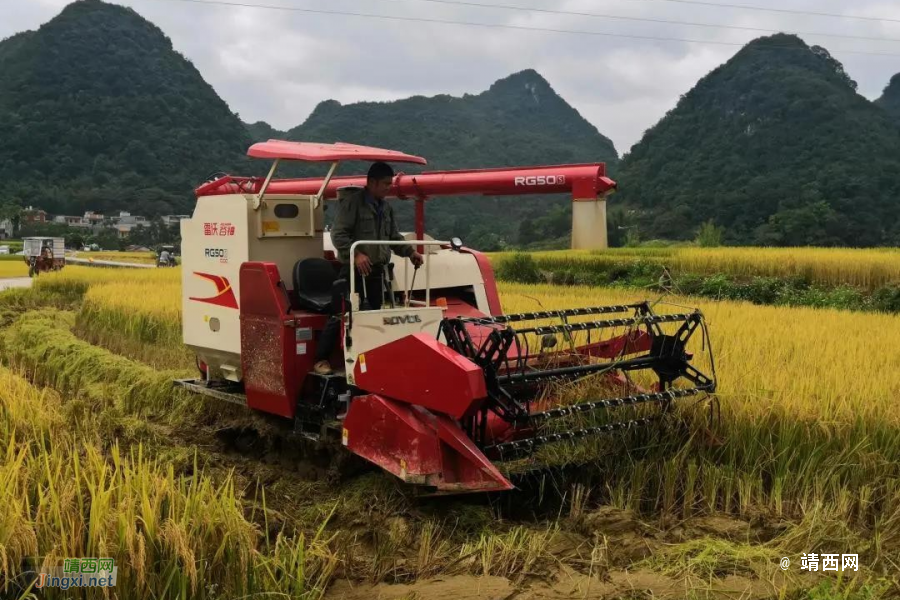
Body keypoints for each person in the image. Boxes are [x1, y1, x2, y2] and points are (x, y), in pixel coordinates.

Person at [313, 161, 424, 375]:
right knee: (341, 314)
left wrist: (411, 253)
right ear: (371, 182)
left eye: (390, 184)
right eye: (384, 184)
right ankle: (321, 359)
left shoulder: (386, 208)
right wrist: (356, 255)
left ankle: (370, 359)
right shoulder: (353, 204)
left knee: (373, 315)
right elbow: (338, 234)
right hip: (353, 272)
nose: (388, 188)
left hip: (376, 273)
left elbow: (393, 237)